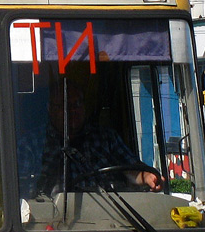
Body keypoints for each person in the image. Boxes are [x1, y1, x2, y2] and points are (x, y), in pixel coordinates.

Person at [25, 71, 163, 196]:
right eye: (63, 105)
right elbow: (23, 193)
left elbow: (132, 169)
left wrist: (146, 176)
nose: (72, 110)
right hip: (54, 219)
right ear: (50, 109)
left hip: (109, 215)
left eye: (77, 104)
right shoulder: (30, 145)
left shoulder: (107, 138)